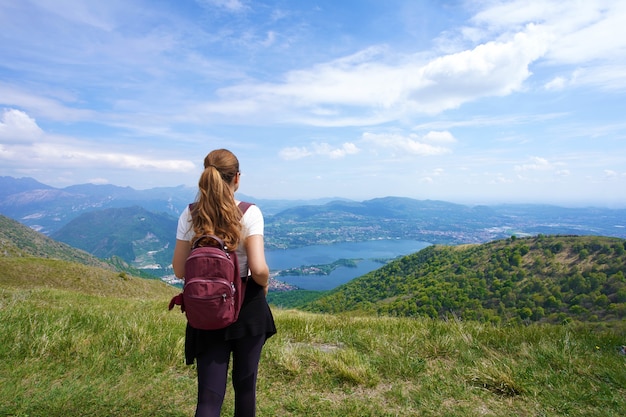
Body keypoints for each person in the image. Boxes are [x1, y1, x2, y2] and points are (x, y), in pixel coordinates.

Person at [172, 148, 276, 417]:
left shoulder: (190, 214)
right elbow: (259, 268)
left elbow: (179, 269)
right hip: (248, 307)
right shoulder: (249, 213)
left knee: (209, 396)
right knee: (244, 389)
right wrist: (263, 284)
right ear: (237, 178)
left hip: (206, 308)